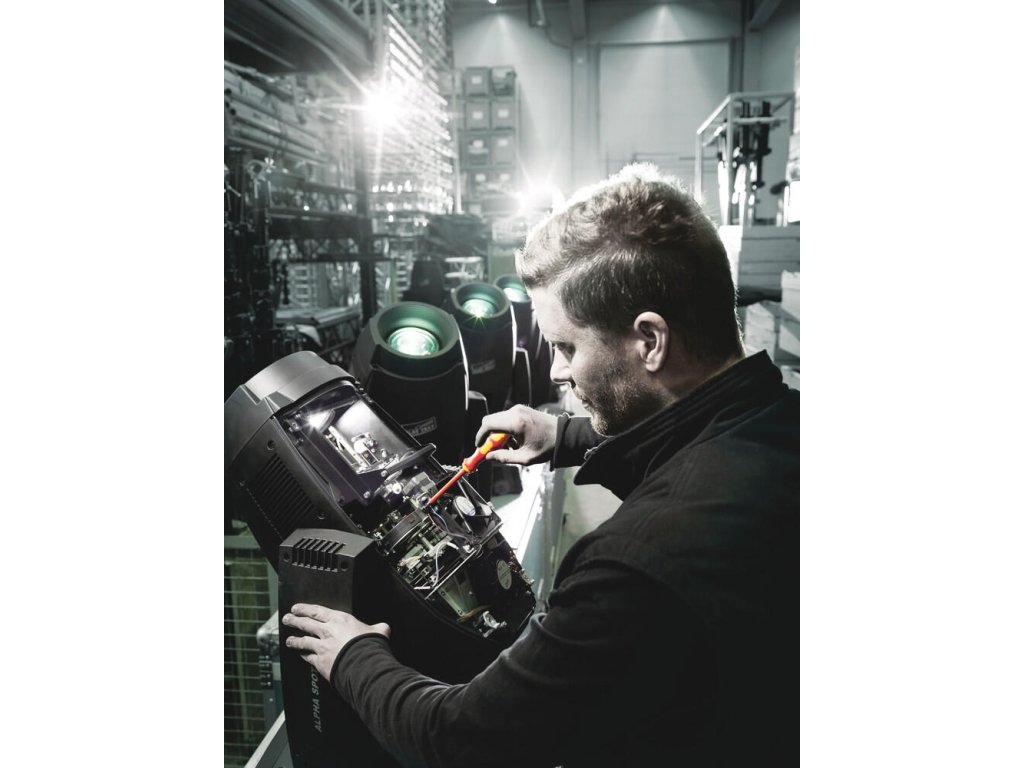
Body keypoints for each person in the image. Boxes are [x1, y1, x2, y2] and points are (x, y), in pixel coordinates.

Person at [283, 163, 799, 767]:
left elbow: (459, 739)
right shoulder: (785, 423)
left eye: (567, 346)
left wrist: (353, 655)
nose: (556, 371)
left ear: (650, 342)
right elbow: (688, 436)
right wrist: (564, 435)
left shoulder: (636, 561)